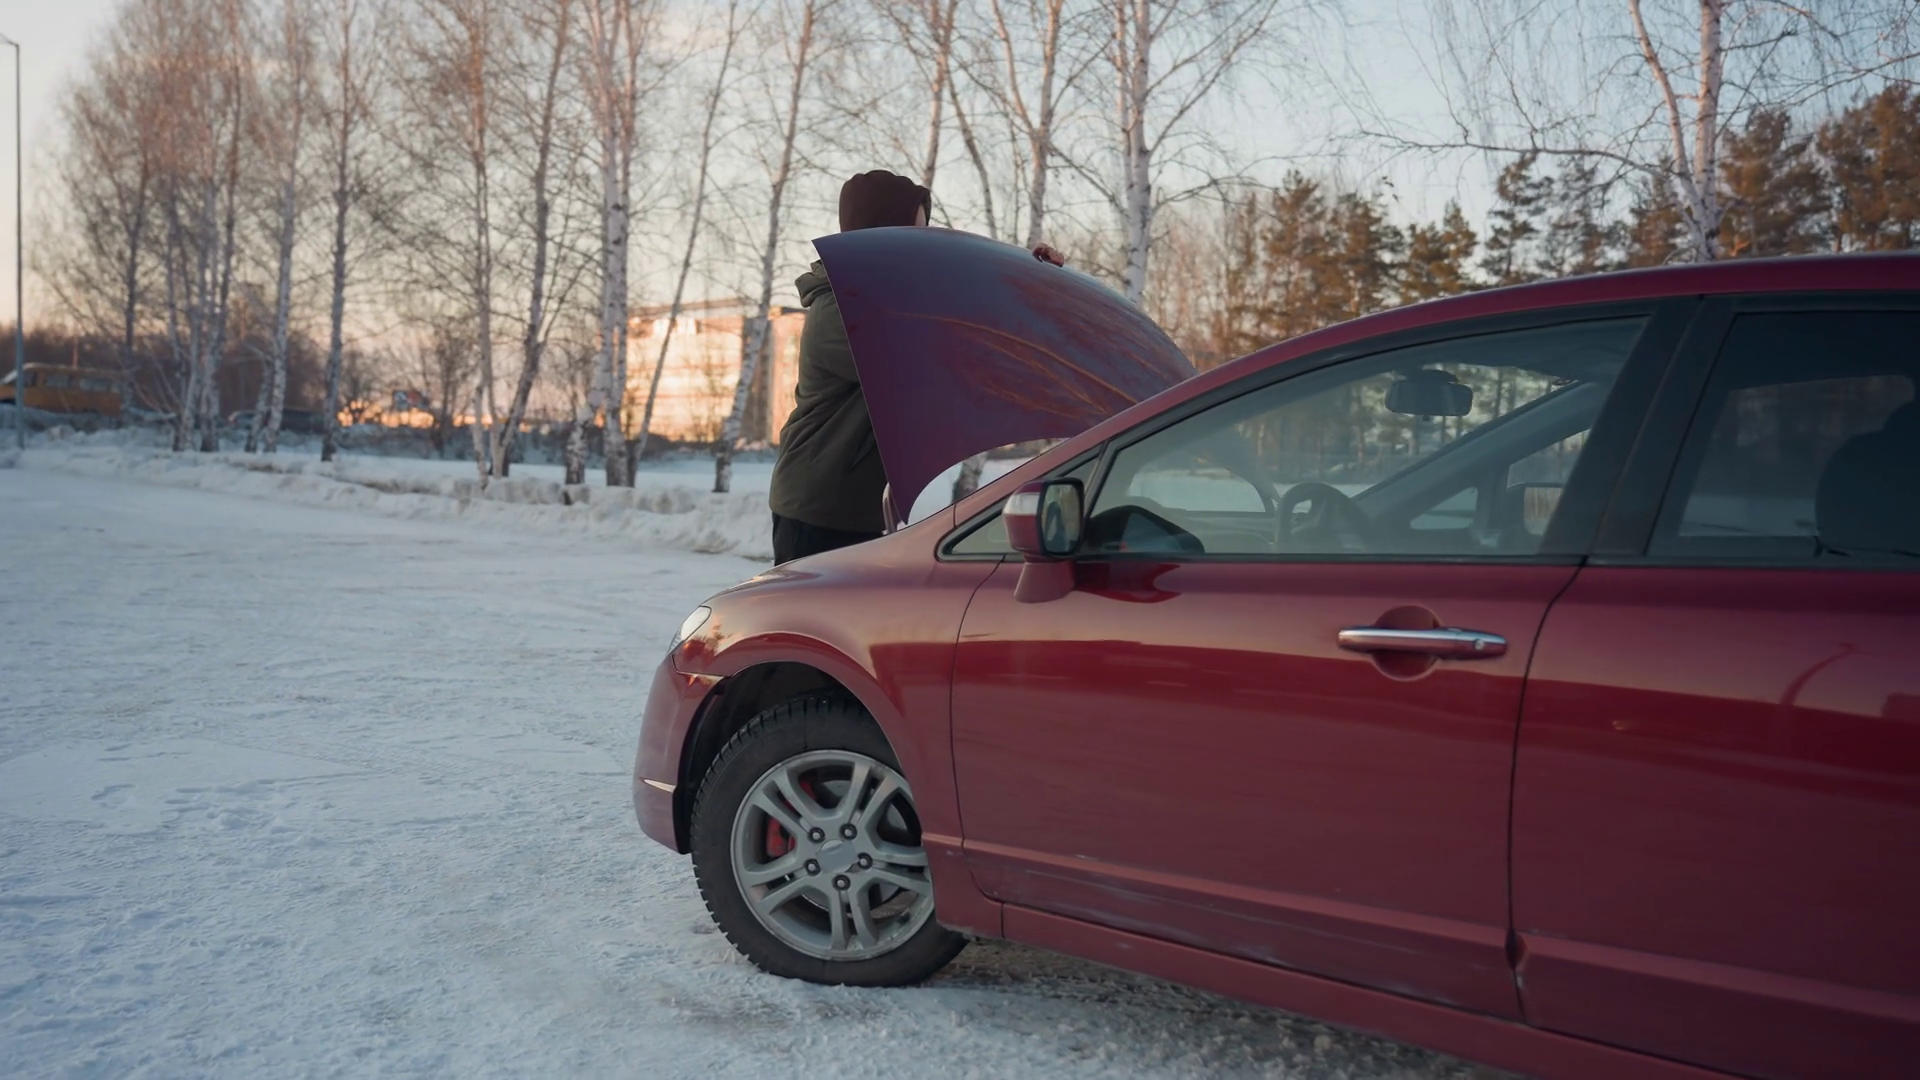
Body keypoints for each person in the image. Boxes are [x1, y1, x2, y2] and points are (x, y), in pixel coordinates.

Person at [767, 169, 1064, 565]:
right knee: (814, 607)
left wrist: (1034, 284)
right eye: (913, 233)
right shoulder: (839, 311)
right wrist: (1021, 293)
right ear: (879, 236)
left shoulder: (884, 304)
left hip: (854, 505)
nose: (921, 245)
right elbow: (939, 357)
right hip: (816, 504)